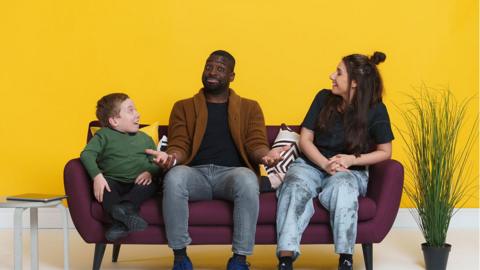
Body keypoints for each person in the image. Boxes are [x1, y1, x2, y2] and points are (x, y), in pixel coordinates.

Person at [146, 50, 286, 270]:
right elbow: (179, 144)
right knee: (174, 177)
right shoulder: (183, 107)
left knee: (248, 179)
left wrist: (265, 156)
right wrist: (171, 158)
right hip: (196, 175)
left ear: (231, 76)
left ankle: (239, 260)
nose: (212, 72)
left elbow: (255, 142)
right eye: (208, 66)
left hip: (231, 175)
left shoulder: (250, 107)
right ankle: (180, 257)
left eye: (220, 69)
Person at [275, 52, 394, 270]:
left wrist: (351, 160)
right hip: (312, 165)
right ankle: (285, 259)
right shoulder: (323, 98)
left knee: (344, 188)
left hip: (349, 170)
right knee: (293, 187)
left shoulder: (376, 109)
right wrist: (323, 163)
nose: (332, 76)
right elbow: (305, 139)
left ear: (355, 83)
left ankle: (345, 259)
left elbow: (385, 151)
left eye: (338, 73)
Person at [80, 93, 166, 241]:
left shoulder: (145, 139)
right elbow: (86, 155)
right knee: (106, 190)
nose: (138, 114)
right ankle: (123, 219)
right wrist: (97, 176)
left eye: (136, 109)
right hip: (113, 180)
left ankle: (121, 218)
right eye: (130, 110)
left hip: (140, 181)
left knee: (148, 185)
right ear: (114, 121)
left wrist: (150, 172)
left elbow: (156, 163)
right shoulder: (103, 135)